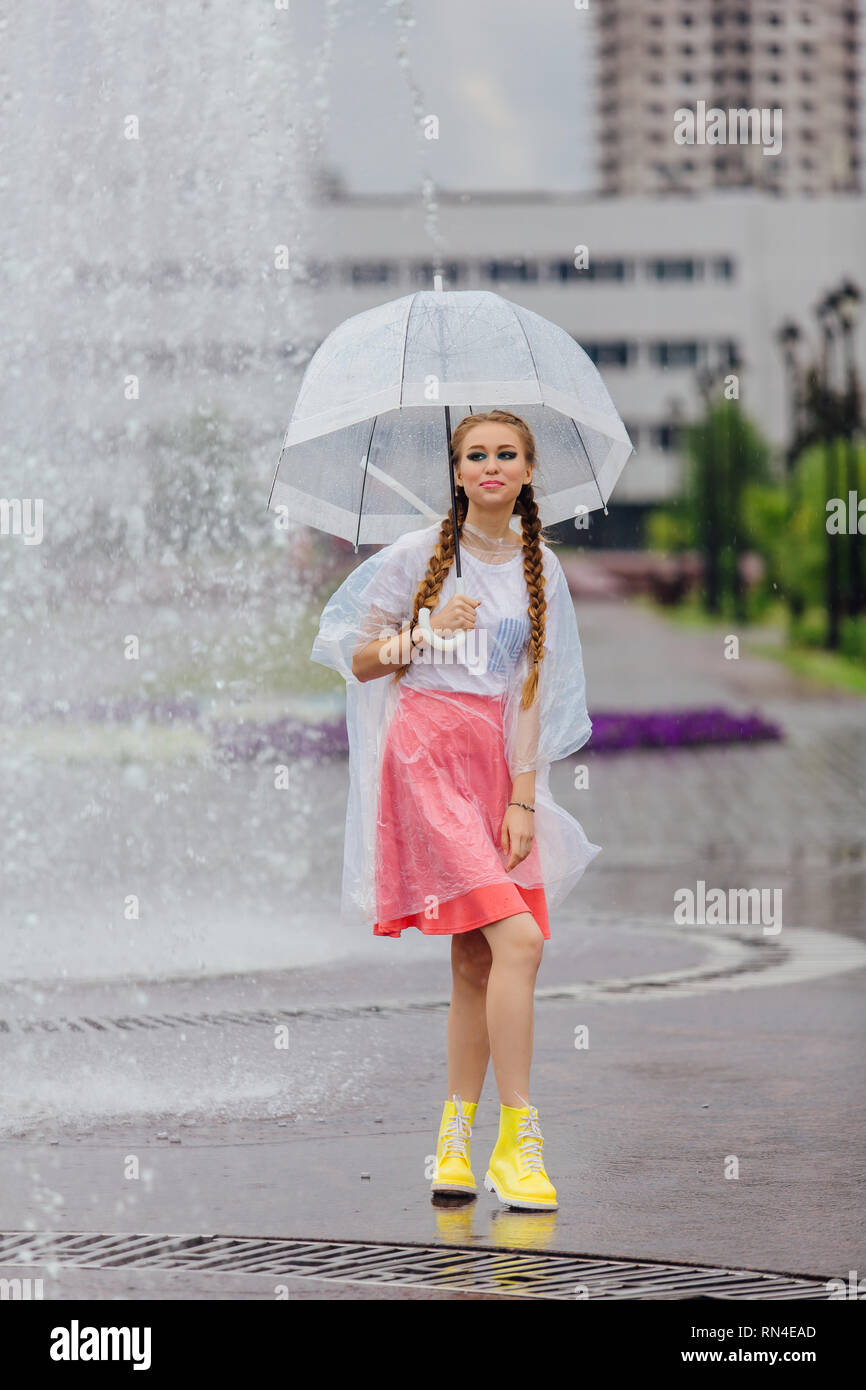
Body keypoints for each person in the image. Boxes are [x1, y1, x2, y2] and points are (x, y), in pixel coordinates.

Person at [310, 410, 600, 1210]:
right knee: (523, 940)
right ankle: (520, 1139)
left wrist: (524, 797)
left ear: (529, 470)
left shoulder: (541, 565)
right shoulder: (418, 556)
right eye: (477, 455)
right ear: (459, 470)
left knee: (478, 962)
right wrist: (426, 631)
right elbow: (357, 658)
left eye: (507, 454)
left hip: (494, 768)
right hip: (426, 756)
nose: (492, 466)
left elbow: (533, 690)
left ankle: (454, 1143)